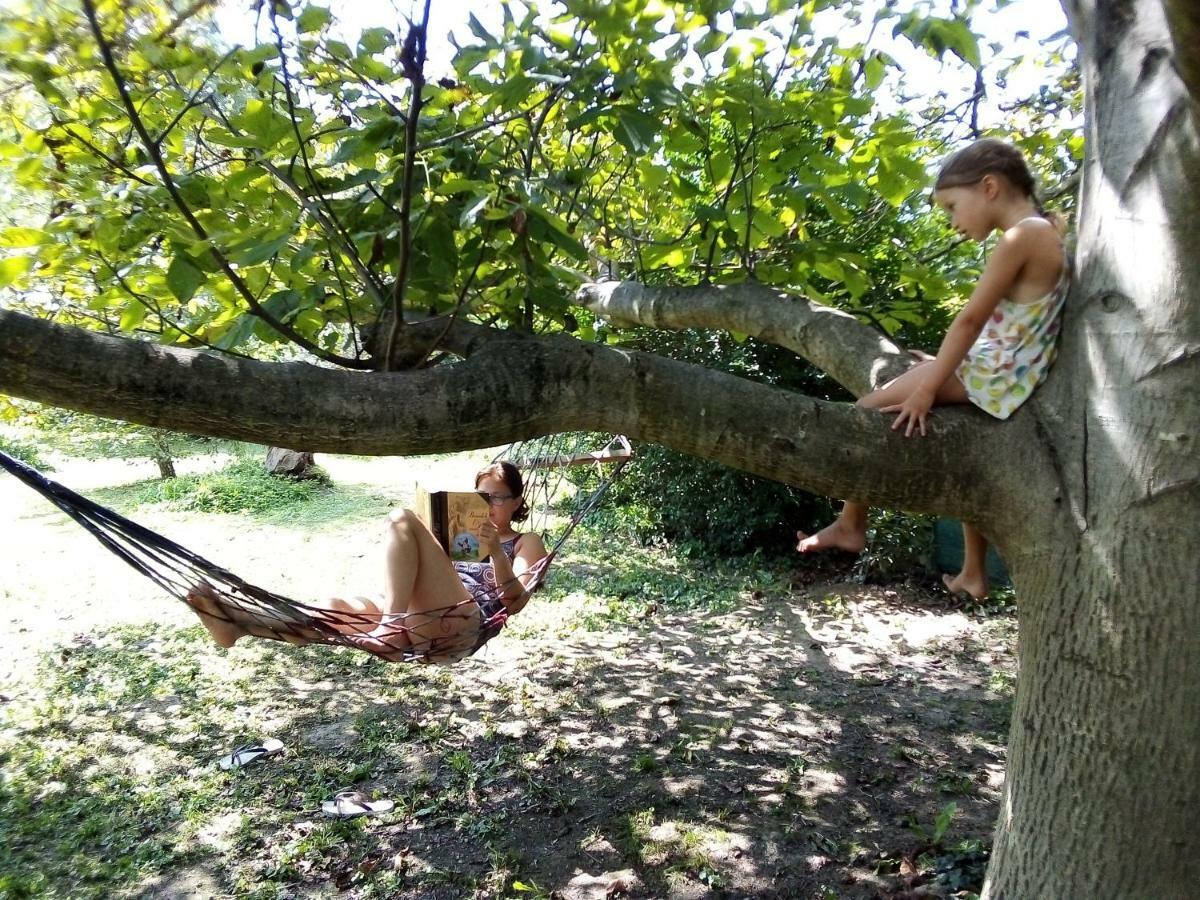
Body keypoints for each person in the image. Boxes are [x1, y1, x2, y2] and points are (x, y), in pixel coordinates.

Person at [796, 138, 1069, 600]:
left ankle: (850, 523)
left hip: (991, 375)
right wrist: (936, 367)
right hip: (1004, 372)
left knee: (863, 409)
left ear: (989, 187)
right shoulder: (1047, 232)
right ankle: (973, 573)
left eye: (951, 207)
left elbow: (969, 319)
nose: (952, 223)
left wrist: (928, 389)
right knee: (965, 455)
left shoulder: (1023, 235)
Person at [185, 461, 549, 663]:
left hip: (461, 624)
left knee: (401, 518)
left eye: (497, 498)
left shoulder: (526, 541)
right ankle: (238, 623)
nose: (488, 505)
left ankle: (390, 625)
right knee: (333, 609)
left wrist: (497, 553)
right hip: (417, 615)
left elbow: (515, 603)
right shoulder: (456, 535)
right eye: (480, 497)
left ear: (517, 501)